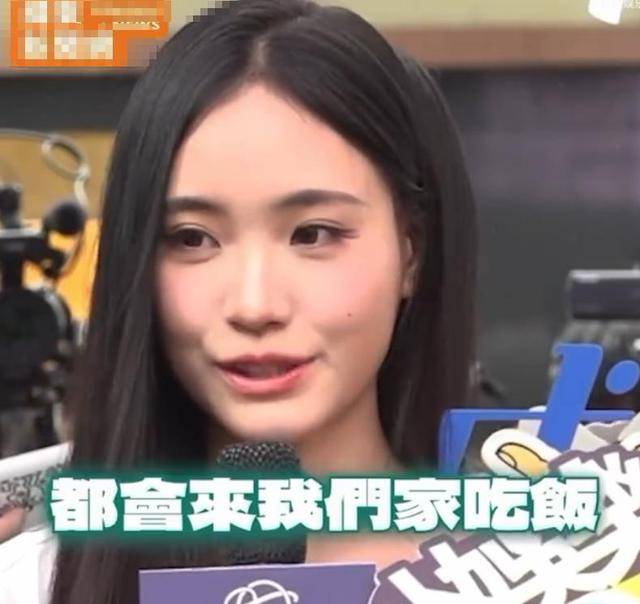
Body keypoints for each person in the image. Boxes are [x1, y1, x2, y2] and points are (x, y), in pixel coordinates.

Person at [0, 0, 477, 602]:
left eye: (313, 234)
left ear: (412, 252)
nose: (254, 307)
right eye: (192, 239)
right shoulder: (31, 583)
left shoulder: (541, 573)